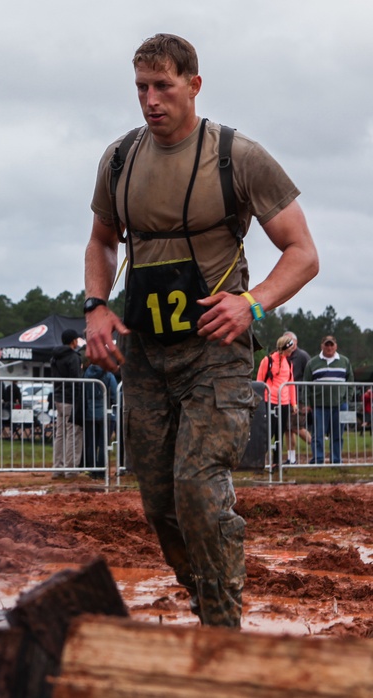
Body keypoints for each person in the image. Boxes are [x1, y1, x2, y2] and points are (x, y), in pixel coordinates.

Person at [83, 34, 319, 628]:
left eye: (163, 86)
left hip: (215, 353)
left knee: (198, 487)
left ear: (194, 84)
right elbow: (102, 242)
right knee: (160, 503)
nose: (150, 100)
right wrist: (95, 306)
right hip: (147, 354)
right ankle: (204, 593)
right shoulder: (119, 160)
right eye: (141, 87)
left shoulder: (237, 157)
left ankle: (222, 625)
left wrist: (252, 304)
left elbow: (303, 253)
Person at [302, 336, 353, 464]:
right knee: (318, 435)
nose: (329, 347)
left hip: (340, 405)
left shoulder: (345, 361)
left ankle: (336, 460)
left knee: (338, 435)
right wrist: (307, 403)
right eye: (327, 345)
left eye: (331, 345)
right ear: (322, 346)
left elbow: (351, 381)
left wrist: (347, 399)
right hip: (319, 405)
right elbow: (306, 384)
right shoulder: (312, 363)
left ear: (336, 346)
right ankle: (318, 460)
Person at [256, 335, 298, 465]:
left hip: (284, 402)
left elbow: (290, 384)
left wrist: (293, 403)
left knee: (280, 432)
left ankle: (276, 461)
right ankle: (260, 459)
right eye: (290, 348)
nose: (291, 351)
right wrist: (260, 400)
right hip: (270, 400)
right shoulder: (267, 360)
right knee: (269, 432)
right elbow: (259, 381)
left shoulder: (289, 363)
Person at [51, 329, 84, 476]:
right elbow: (76, 380)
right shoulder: (73, 357)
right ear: (73, 341)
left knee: (60, 433)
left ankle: (57, 468)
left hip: (58, 397)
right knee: (73, 433)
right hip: (70, 398)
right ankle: (70, 469)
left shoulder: (55, 357)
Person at [81, 359, 118, 476]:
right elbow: (115, 394)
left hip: (90, 414)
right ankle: (102, 471)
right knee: (104, 445)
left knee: (91, 444)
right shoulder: (108, 374)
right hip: (106, 414)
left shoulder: (86, 374)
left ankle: (92, 470)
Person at [282, 331, 313, 458]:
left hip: (299, 397)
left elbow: (311, 376)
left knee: (297, 427)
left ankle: (316, 446)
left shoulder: (303, 356)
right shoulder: (282, 356)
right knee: (287, 429)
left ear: (296, 342)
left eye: (290, 341)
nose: (288, 344)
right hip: (285, 397)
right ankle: (291, 458)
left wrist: (308, 400)